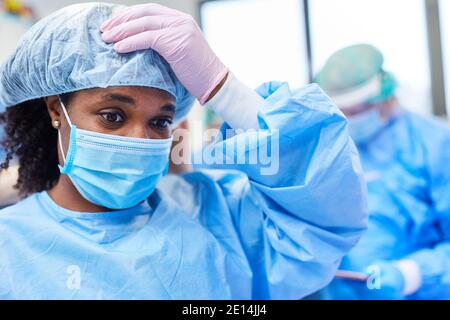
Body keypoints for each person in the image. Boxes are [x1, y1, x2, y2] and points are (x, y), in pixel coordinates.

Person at [0, 3, 367, 299]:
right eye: (112, 116)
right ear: (55, 110)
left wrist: (224, 89)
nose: (141, 140)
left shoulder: (213, 213)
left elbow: (328, 217)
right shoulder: (9, 246)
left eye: (160, 122)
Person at [316, 44, 450, 299]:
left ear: (385, 97)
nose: (347, 119)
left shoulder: (436, 145)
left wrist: (411, 273)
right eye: (339, 112)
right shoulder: (327, 151)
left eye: (355, 112)